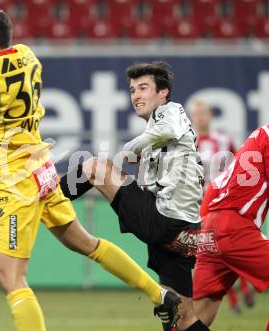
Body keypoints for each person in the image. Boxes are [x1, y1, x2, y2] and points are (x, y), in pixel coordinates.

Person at [0, 8, 180, 331]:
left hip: (16, 182)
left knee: (12, 279)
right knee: (86, 243)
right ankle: (160, 295)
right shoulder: (28, 56)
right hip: (41, 170)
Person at [60, 62, 210, 331]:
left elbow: (163, 132)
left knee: (96, 168)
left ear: (163, 92)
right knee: (181, 318)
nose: (136, 96)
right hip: (184, 230)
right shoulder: (157, 133)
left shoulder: (171, 111)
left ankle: (47, 195)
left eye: (143, 88)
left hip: (167, 220)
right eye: (132, 90)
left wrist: (128, 150)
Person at [193, 84, 269, 331]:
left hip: (211, 227)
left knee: (196, 316)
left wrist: (204, 227)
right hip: (235, 228)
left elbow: (215, 186)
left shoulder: (258, 135)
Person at [188, 100, 255, 314]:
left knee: (230, 246)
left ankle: (243, 288)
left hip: (225, 203)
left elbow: (240, 164)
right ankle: (235, 298)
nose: (200, 117)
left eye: (203, 113)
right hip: (200, 204)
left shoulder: (224, 140)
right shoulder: (187, 142)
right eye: (196, 114)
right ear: (192, 118)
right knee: (211, 252)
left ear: (210, 115)